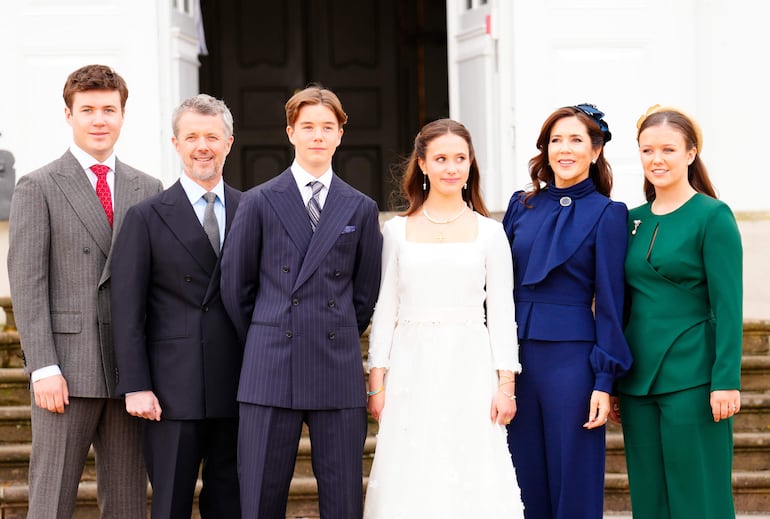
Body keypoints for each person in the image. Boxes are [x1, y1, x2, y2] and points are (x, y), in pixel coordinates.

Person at [7, 64, 163, 518]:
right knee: (51, 498)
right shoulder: (38, 185)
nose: (99, 119)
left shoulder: (147, 187)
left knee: (129, 501)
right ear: (68, 114)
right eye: (88, 109)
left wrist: (151, 370)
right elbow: (28, 284)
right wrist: (43, 367)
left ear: (122, 115)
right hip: (66, 372)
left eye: (109, 110)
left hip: (128, 373)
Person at [220, 85, 383, 519]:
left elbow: (365, 294)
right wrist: (268, 330)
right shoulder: (257, 201)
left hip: (336, 363)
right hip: (271, 364)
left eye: (327, 127)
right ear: (290, 132)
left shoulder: (360, 207)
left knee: (344, 499)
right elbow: (235, 289)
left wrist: (336, 328)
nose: (317, 136)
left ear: (339, 135)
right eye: (307, 126)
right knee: (258, 499)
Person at [363, 118, 524, 518]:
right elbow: (386, 308)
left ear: (471, 165)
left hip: (470, 363)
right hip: (410, 364)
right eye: (440, 159)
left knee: (469, 462)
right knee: (412, 463)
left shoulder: (490, 233)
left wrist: (507, 384)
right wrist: (376, 376)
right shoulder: (396, 231)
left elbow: (503, 312)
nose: (451, 168)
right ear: (422, 164)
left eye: (459, 158)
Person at [110, 94, 242, 518]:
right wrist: (136, 384)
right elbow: (127, 309)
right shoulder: (146, 216)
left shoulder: (254, 209)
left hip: (239, 383)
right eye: (191, 137)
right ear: (176, 143)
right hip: (170, 390)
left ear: (228, 142)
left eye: (211, 136)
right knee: (169, 504)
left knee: (233, 502)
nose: (201, 145)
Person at [502, 104, 633, 519]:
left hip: (572, 362)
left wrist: (604, 381)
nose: (564, 149)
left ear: (595, 151)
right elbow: (497, 286)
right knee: (519, 477)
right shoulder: (521, 205)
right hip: (515, 358)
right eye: (556, 140)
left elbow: (613, 303)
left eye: (576, 139)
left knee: (573, 477)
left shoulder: (609, 214)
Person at [613, 105, 742, 519]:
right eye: (647, 150)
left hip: (695, 376)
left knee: (698, 496)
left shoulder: (713, 216)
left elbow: (728, 306)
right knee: (649, 501)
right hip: (637, 380)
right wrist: (614, 380)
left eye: (668, 149)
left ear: (690, 153)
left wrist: (726, 380)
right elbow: (622, 304)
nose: (656, 159)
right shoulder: (630, 220)